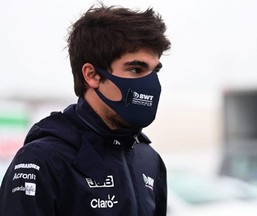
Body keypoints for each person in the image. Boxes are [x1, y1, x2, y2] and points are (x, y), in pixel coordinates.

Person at [0, 3, 171, 216]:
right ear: (91, 75)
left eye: (155, 71)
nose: (150, 84)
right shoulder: (42, 160)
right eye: (136, 69)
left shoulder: (149, 159)